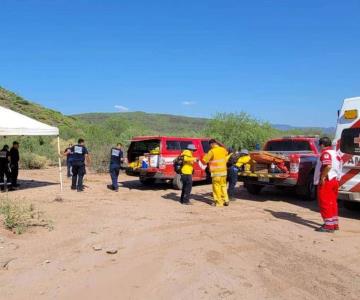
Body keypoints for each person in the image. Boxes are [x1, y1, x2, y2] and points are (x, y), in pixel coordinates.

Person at [314, 137, 341, 232]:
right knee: (332, 202)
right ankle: (334, 223)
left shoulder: (326, 153)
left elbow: (328, 166)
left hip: (327, 180)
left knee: (324, 202)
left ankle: (328, 226)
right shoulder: (335, 153)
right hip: (335, 180)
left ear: (322, 145)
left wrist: (322, 177)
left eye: (319, 145)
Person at [202, 139, 229, 207]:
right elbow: (226, 153)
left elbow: (205, 161)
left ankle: (219, 203)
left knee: (216, 187)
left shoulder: (211, 151)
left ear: (211, 144)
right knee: (223, 186)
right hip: (224, 172)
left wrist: (203, 157)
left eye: (210, 145)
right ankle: (226, 200)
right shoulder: (223, 149)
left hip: (216, 173)